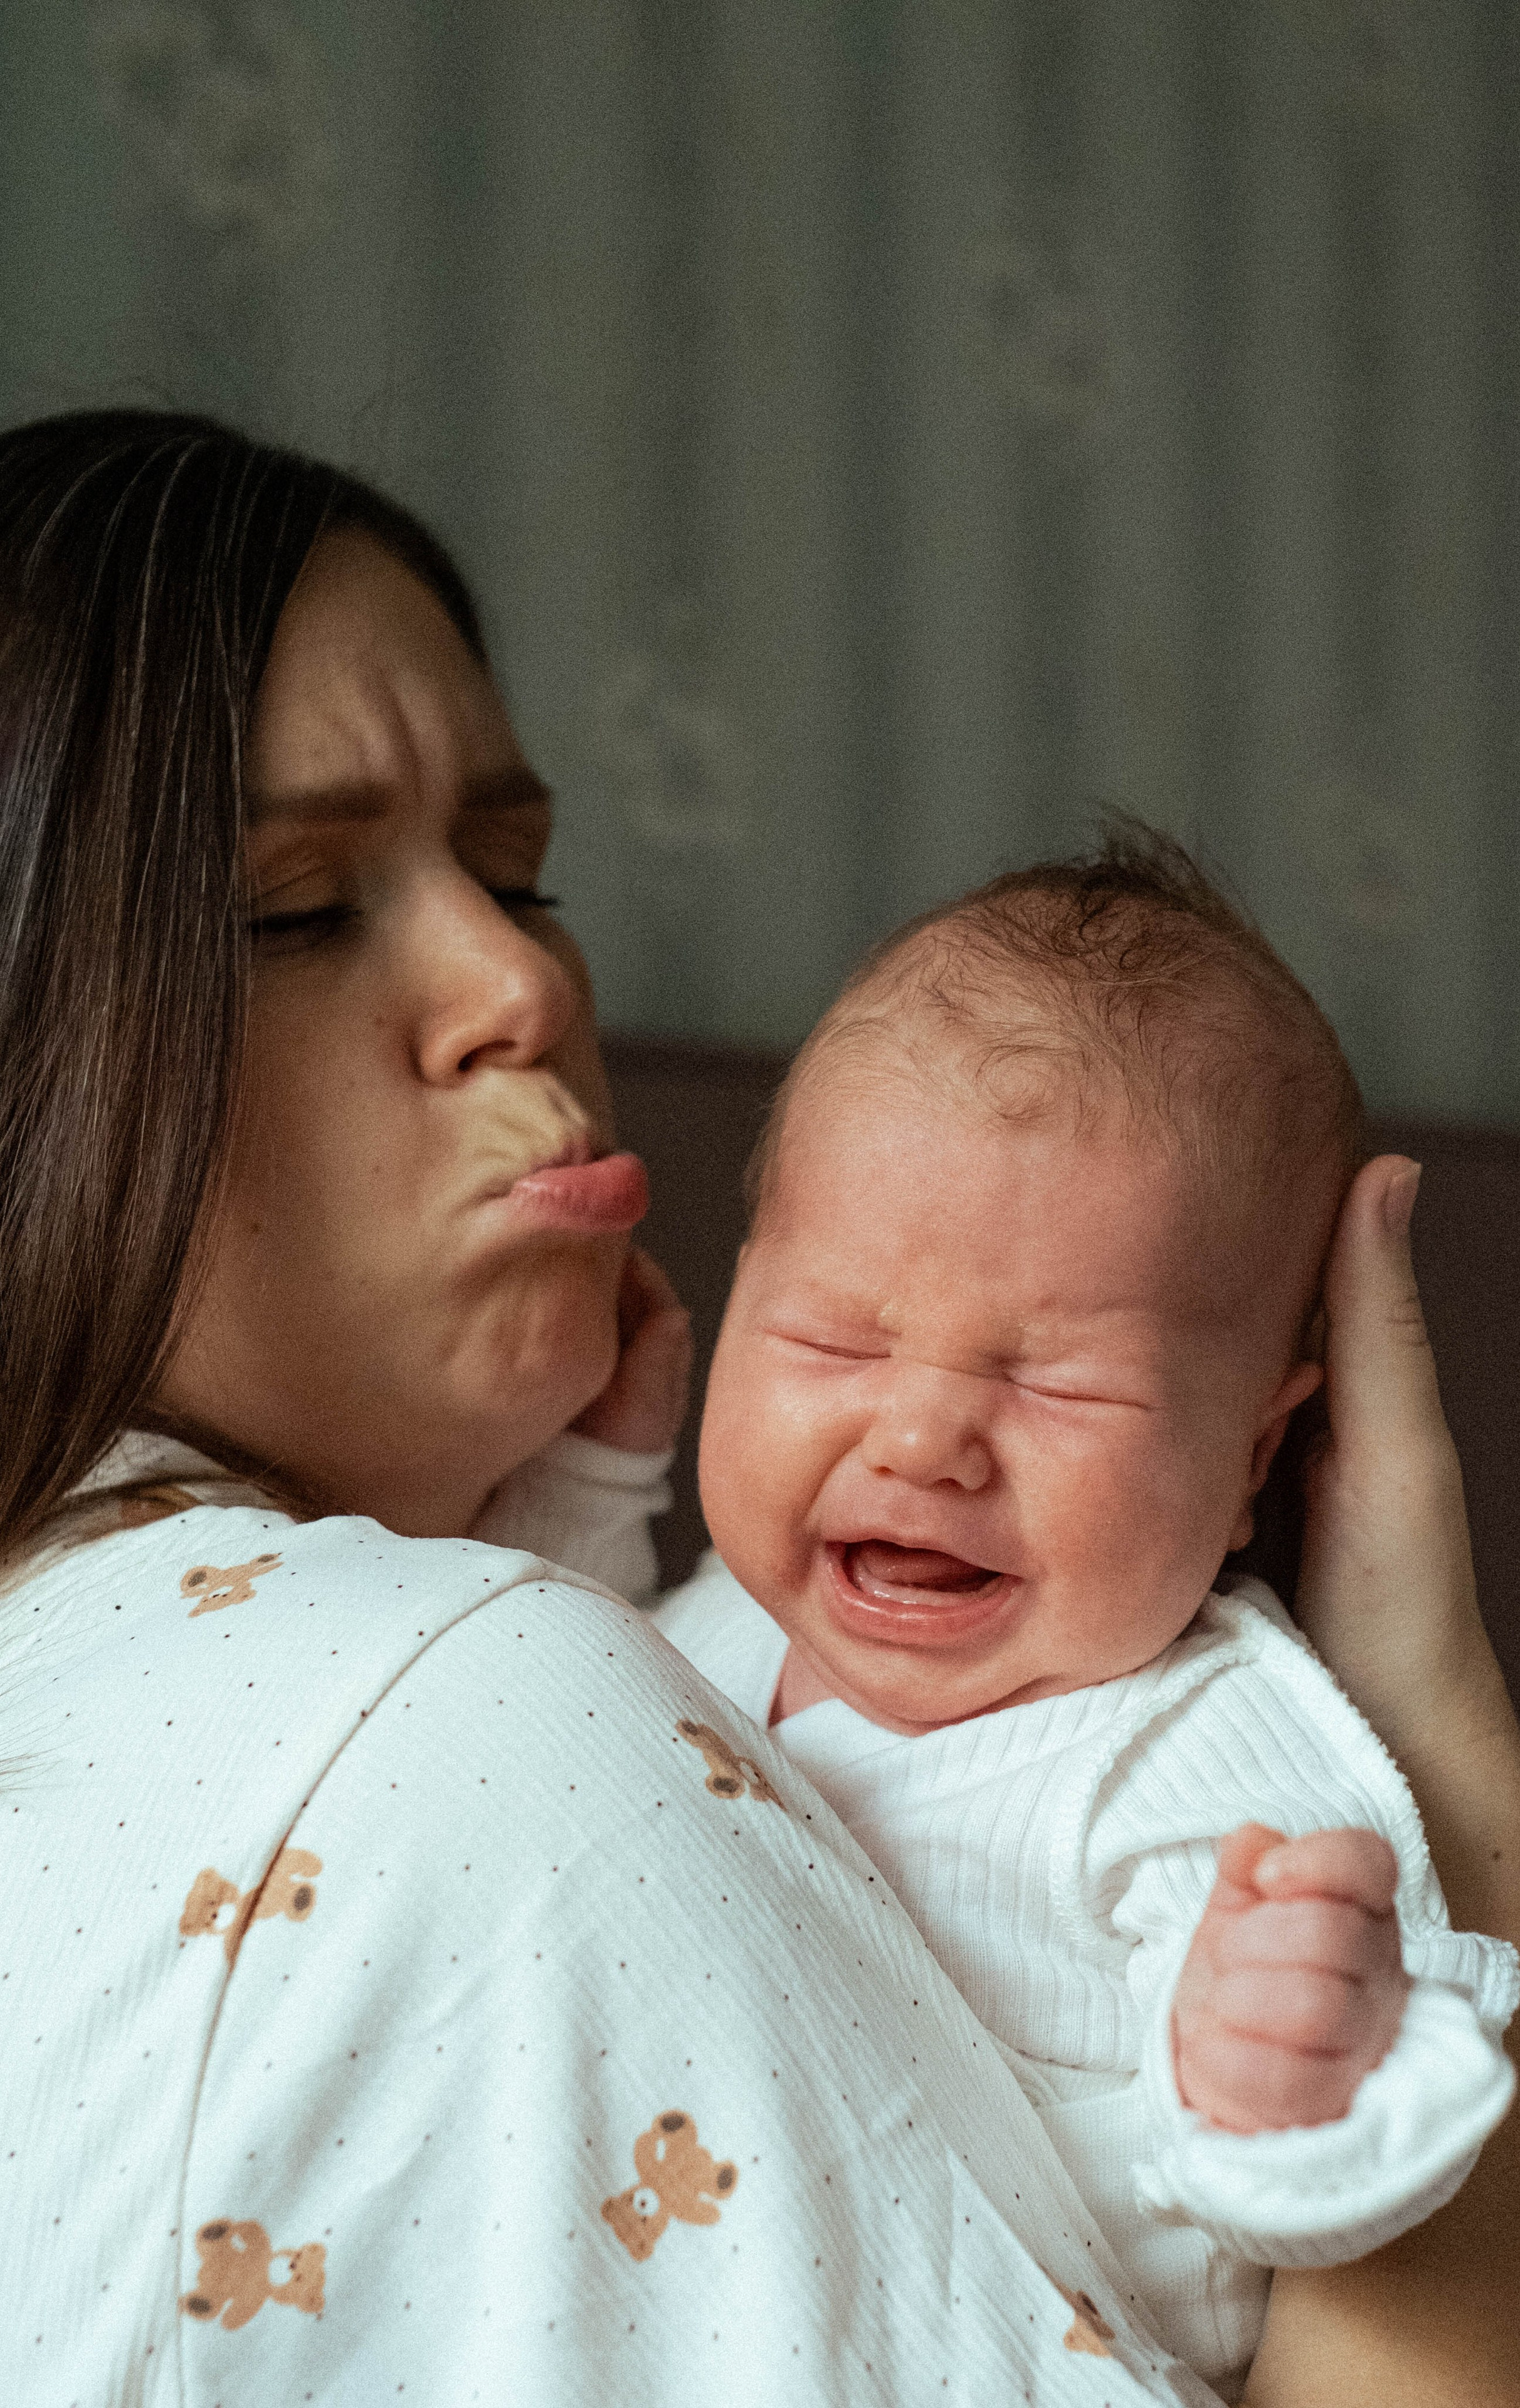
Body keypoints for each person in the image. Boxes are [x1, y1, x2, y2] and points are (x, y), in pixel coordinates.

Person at [0, 414, 1514, 2406]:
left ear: (1260, 1432)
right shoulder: (452, 1717)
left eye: (521, 869)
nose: (520, 976)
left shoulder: (25, 1681)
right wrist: (1471, 1804)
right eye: (300, 907)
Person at [542, 843, 1512, 2398]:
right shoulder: (726, 1615)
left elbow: (1388, 2184)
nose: (921, 1437)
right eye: (833, 1336)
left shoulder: (1200, 1761)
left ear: (1255, 1450)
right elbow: (565, 1708)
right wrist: (593, 1485)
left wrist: (1293, 2068)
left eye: (1054, 1381)